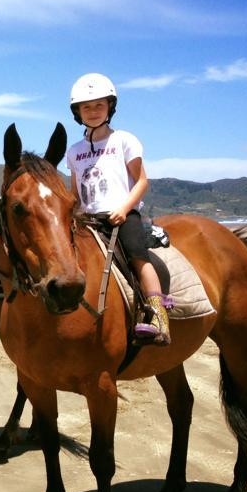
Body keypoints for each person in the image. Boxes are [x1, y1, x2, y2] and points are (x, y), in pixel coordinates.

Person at [65, 73, 170, 345]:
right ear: (77, 112)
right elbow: (75, 192)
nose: (92, 111)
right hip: (88, 219)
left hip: (122, 215)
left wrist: (124, 209)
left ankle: (159, 317)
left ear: (110, 107)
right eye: (86, 107)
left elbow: (142, 180)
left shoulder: (124, 140)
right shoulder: (74, 150)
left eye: (99, 105)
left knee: (138, 257)